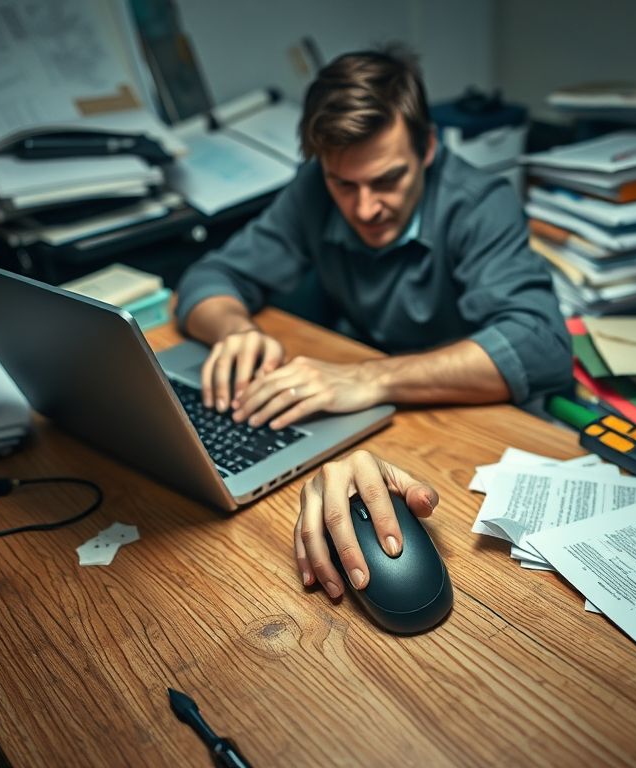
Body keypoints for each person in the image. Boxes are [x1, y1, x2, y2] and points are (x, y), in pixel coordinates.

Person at [175, 46, 570, 599]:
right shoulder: (315, 189)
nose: (364, 208)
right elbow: (207, 279)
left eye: (387, 180)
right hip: (373, 430)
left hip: (462, 432)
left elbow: (541, 345)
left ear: (428, 146)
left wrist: (367, 377)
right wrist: (234, 328)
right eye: (344, 185)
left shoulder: (480, 204)